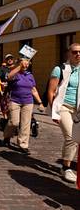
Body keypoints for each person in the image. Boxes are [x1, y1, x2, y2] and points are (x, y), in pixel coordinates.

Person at [48, 43, 80, 183]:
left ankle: (67, 163)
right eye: (75, 52)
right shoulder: (60, 69)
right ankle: (66, 168)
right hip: (63, 107)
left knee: (76, 138)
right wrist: (54, 111)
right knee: (71, 137)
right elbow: (51, 91)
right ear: (69, 53)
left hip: (78, 109)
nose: (78, 54)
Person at [3, 58, 44, 154]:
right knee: (14, 122)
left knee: (26, 123)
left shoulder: (30, 75)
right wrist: (19, 67)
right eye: (23, 64)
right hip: (15, 100)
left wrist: (40, 102)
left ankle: (23, 144)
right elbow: (8, 77)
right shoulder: (15, 73)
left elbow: (33, 90)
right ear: (19, 64)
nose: (26, 66)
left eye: (27, 64)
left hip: (28, 102)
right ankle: (7, 136)